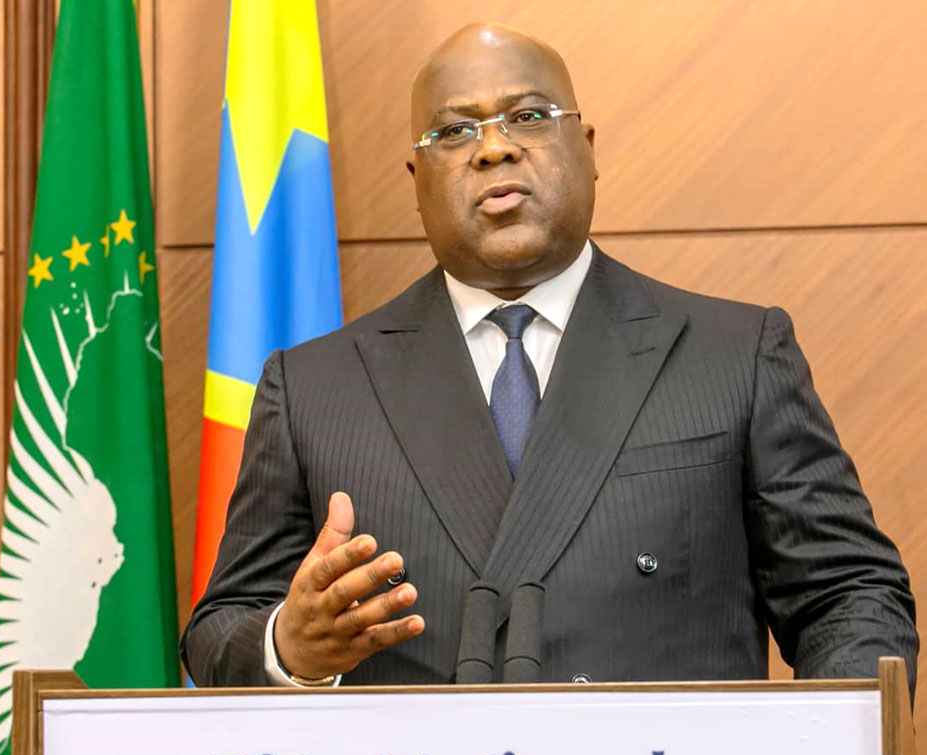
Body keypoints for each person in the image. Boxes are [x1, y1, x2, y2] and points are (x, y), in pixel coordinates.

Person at [181, 23, 918, 694]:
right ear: (416, 182)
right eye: (454, 131)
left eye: (529, 116)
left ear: (588, 149)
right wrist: (289, 648)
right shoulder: (315, 388)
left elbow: (846, 594)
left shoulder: (735, 355)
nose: (493, 148)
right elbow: (220, 629)